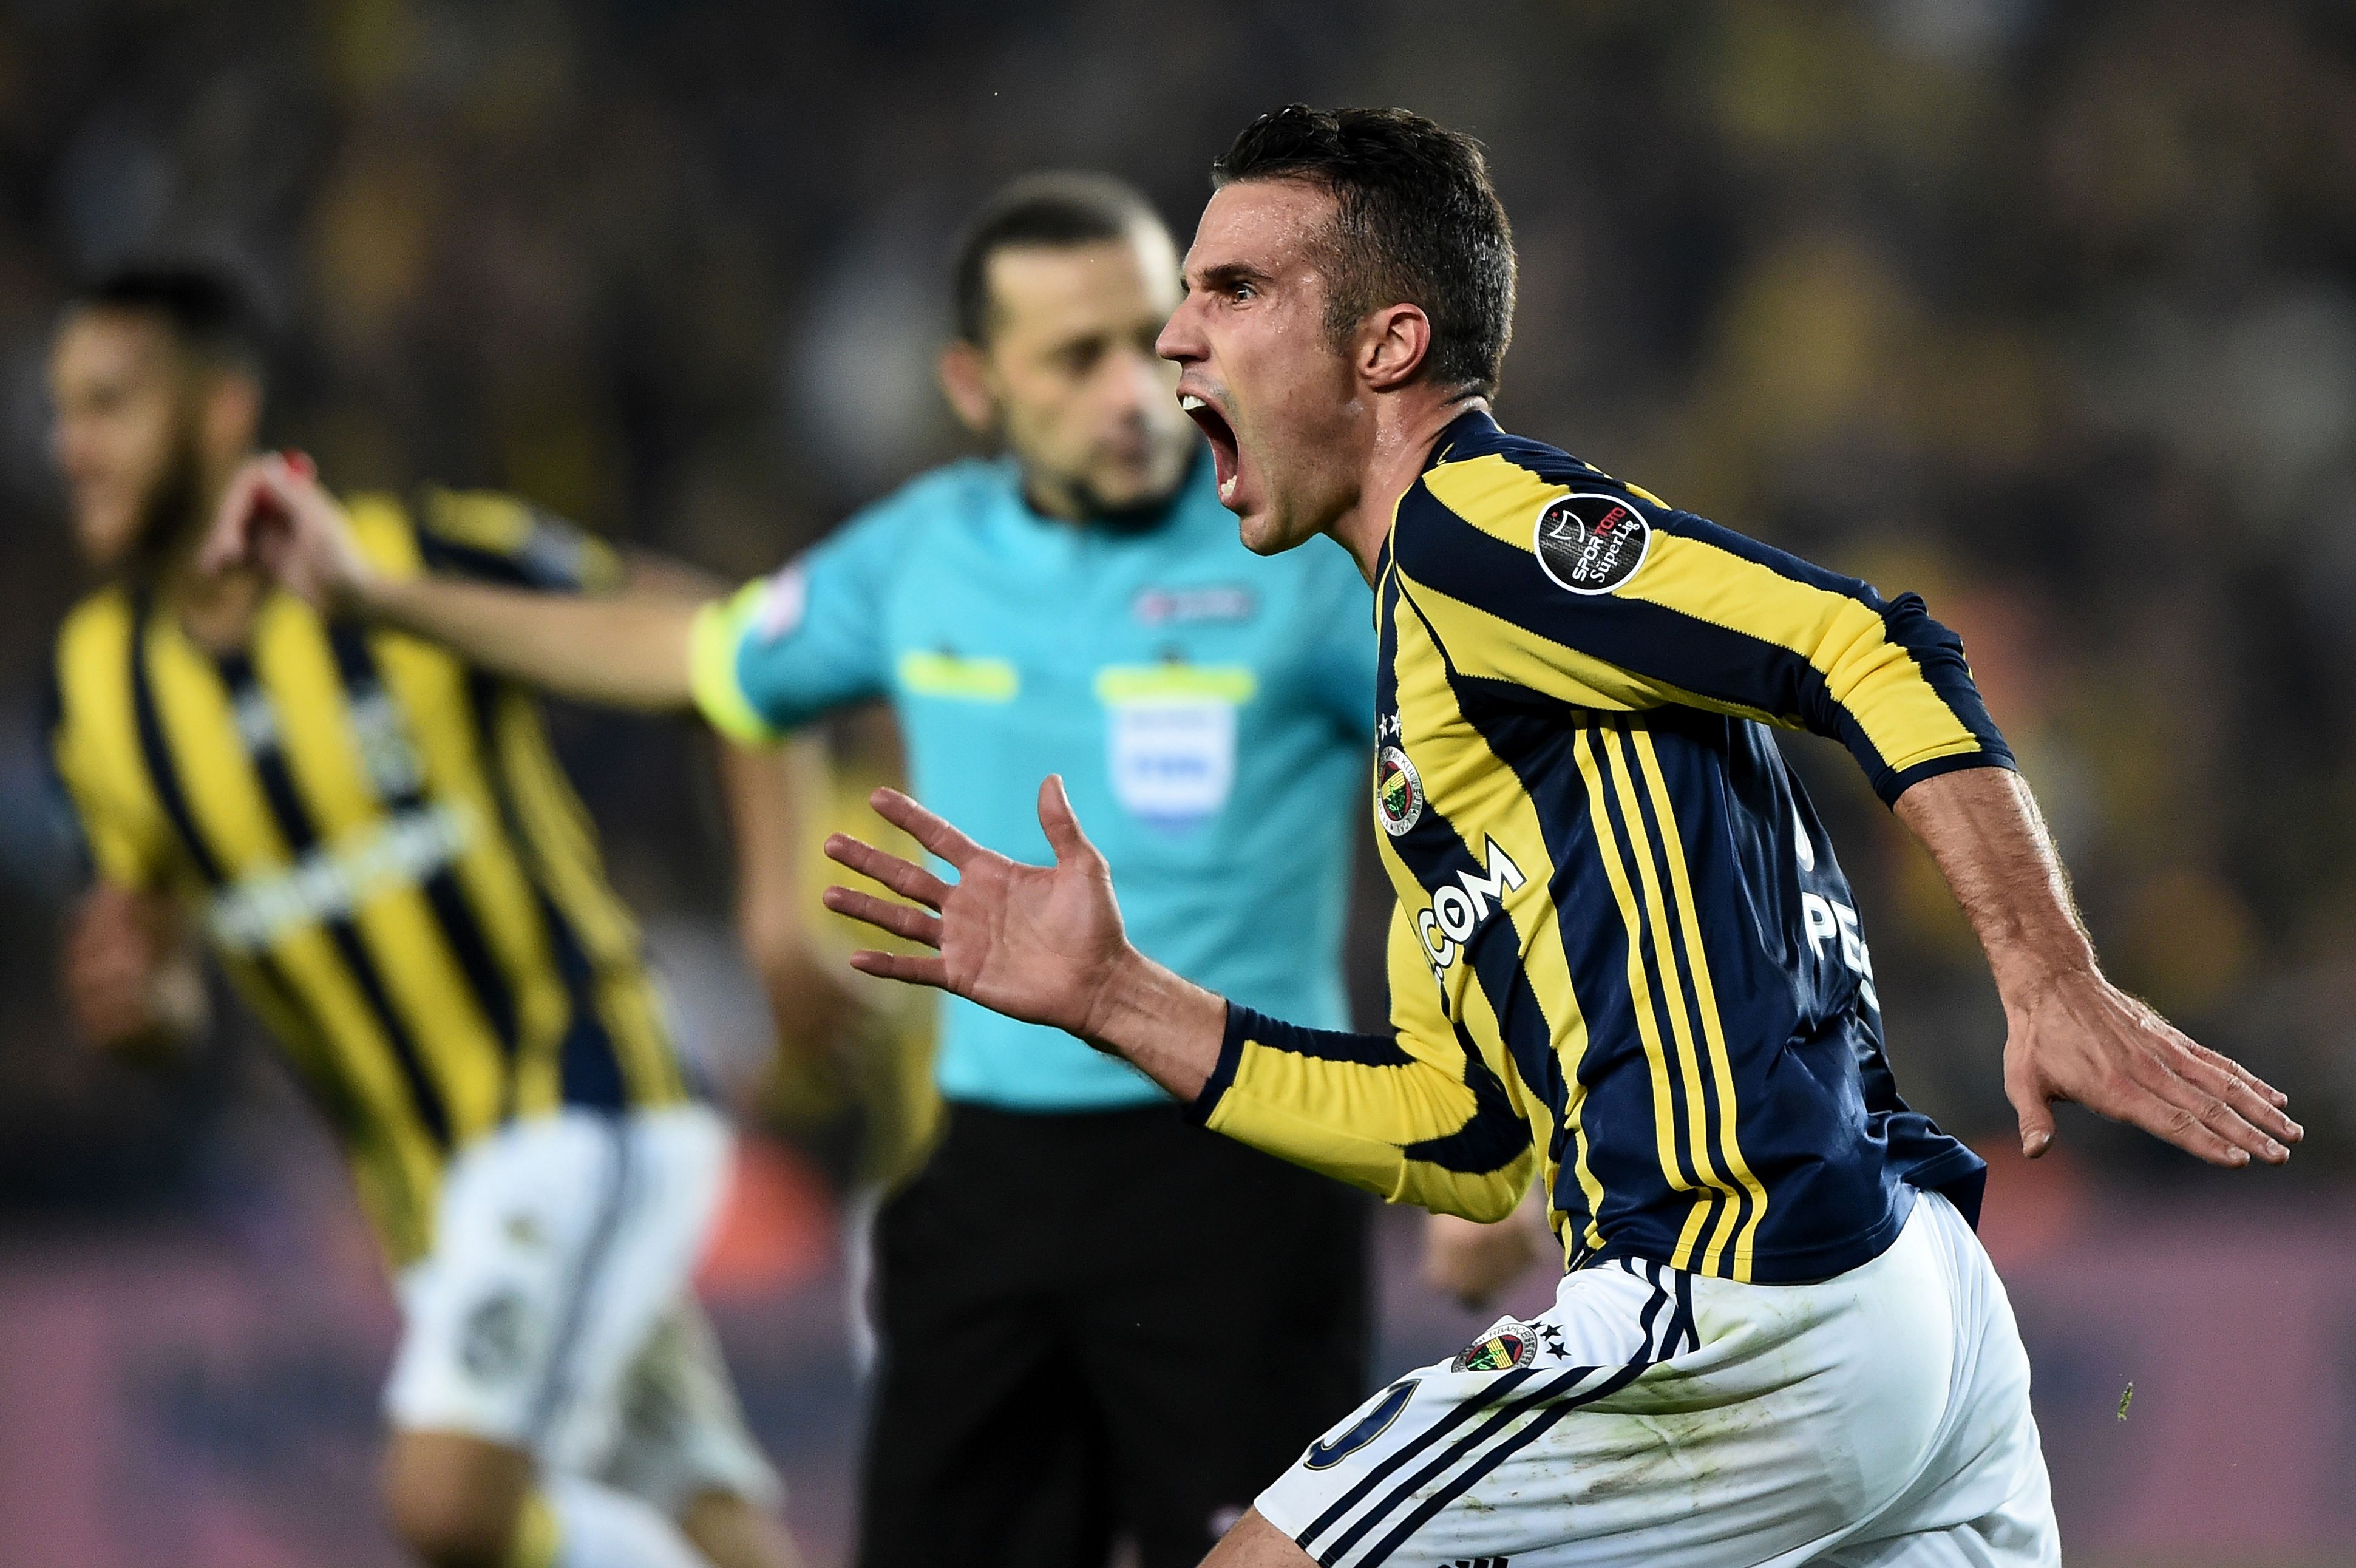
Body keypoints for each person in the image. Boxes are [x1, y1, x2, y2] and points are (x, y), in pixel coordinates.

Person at [799, 107, 2306, 1568]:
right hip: (1910, 1306)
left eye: (1235, 289)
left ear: (1387, 345)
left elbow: (1870, 647)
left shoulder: (1483, 525)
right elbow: (1460, 1137)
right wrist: (1121, 998)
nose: (1177, 338)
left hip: (1739, 1295)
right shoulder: (1430, 689)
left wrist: (2048, 972)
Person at [206, 173, 1384, 1568]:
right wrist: (378, 594)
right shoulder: (920, 557)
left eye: (1153, 337)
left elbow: (1483, 814)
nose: (1133, 389)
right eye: (1074, 357)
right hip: (984, 1178)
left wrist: (1500, 1114)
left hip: (1241, 1171)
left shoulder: (1301, 558)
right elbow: (686, 655)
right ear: (974, 383)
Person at [42, 266, 793, 1568]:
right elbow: (162, 974)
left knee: (448, 1506)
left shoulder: (409, 558)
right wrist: (139, 1011)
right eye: (62, 412)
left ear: (222, 411)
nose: (70, 446)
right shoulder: (97, 682)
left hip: (587, 1098)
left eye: (110, 404)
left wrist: (777, 902)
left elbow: (731, 638)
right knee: (716, 1529)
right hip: (426, 1206)